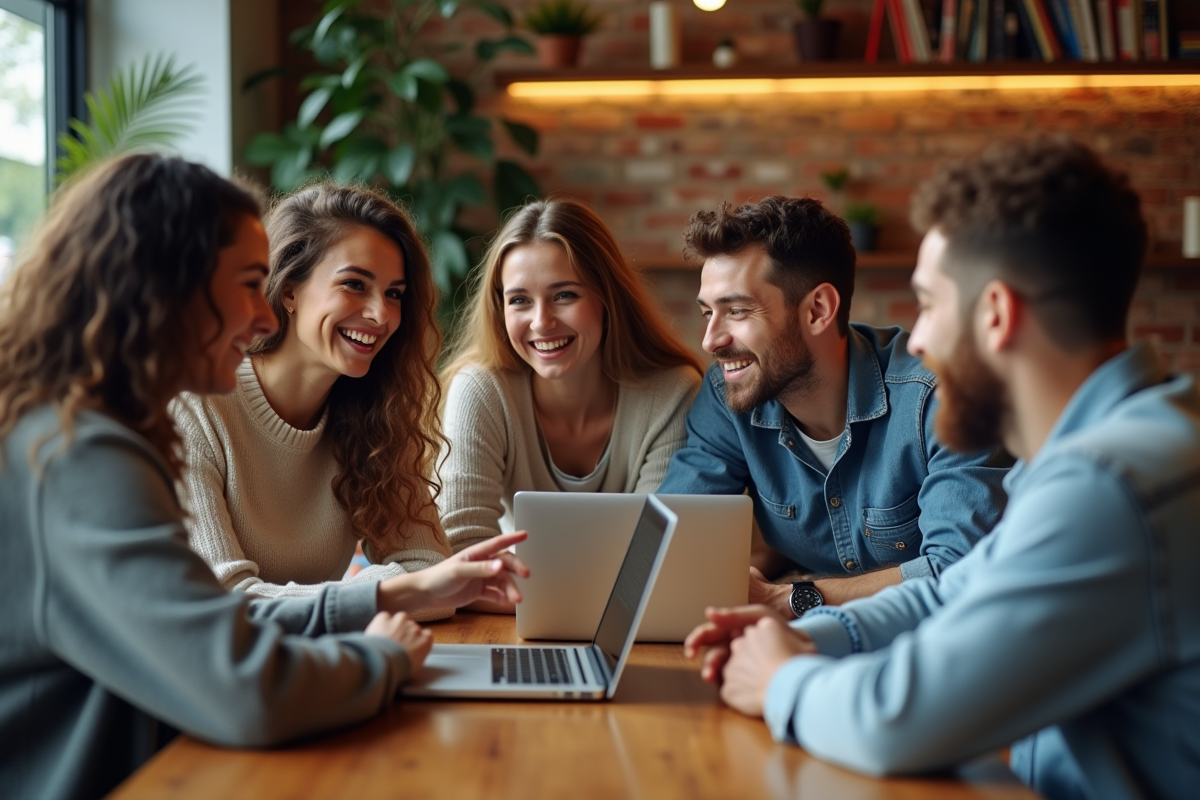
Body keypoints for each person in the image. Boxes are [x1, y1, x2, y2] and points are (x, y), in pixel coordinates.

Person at [685, 138, 1200, 799]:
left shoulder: (1109, 486)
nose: (917, 339)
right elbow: (946, 595)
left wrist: (782, 680)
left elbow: (898, 721)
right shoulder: (1111, 451)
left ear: (995, 315)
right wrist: (800, 638)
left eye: (928, 304)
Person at [0, 154, 527, 800]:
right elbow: (240, 679)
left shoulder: (79, 431)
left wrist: (388, 597)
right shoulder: (80, 456)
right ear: (172, 285)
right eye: (251, 283)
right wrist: (381, 651)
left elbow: (217, 635)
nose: (263, 315)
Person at [658, 196, 1010, 611]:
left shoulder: (939, 396)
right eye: (707, 313)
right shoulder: (729, 395)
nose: (711, 340)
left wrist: (788, 598)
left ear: (818, 310)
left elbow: (959, 571)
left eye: (736, 311)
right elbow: (671, 546)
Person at [172, 184, 454, 617]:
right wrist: (378, 592)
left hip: (309, 665)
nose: (381, 314)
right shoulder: (198, 406)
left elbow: (432, 568)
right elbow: (224, 602)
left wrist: (375, 593)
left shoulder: (375, 417)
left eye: (394, 293)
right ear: (288, 290)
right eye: (355, 284)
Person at [438, 197, 702, 608]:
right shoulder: (481, 390)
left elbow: (656, 562)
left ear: (605, 298)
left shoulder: (670, 394)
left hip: (570, 616)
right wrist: (598, 589)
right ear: (500, 308)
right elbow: (461, 556)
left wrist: (537, 587)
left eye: (564, 295)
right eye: (519, 300)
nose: (541, 322)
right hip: (514, 624)